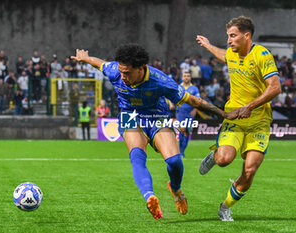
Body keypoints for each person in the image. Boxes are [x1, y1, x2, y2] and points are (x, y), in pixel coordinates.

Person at [71, 44, 238, 220]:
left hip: (157, 116)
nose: (123, 76)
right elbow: (100, 63)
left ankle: (176, 189)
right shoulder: (115, 71)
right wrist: (85, 58)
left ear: (141, 69)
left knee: (174, 161)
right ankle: (150, 196)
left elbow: (194, 101)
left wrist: (223, 114)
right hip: (130, 116)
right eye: (121, 71)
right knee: (136, 155)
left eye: (127, 73)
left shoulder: (160, 81)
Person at [196, 16, 281, 221]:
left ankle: (225, 207)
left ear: (246, 35)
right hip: (234, 117)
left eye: (232, 36)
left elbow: (275, 87)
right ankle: (215, 155)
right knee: (224, 159)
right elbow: (223, 55)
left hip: (259, 120)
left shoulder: (261, 55)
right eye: (228, 36)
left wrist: (250, 106)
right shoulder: (232, 53)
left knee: (250, 170)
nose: (229, 40)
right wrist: (208, 45)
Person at [176, 71, 200, 157]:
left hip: (190, 112)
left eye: (188, 76)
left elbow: (198, 100)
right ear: (182, 78)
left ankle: (182, 151)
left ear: (190, 78)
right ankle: (180, 152)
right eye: (185, 76)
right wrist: (171, 104)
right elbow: (173, 97)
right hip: (180, 112)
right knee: (182, 131)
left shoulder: (194, 88)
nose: (186, 77)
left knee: (187, 131)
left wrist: (195, 110)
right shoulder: (178, 87)